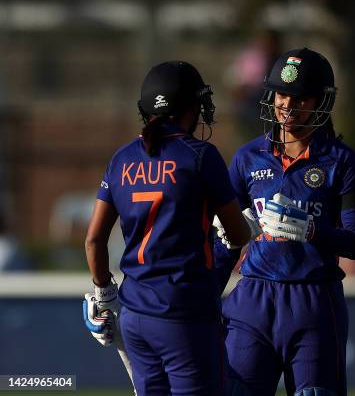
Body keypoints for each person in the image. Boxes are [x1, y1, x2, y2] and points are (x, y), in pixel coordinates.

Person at [82, 61, 259, 395]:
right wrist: (237, 228)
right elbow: (238, 234)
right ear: (191, 107)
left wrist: (104, 294)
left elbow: (93, 240)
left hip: (134, 315)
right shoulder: (201, 156)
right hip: (184, 314)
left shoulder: (121, 158)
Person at [215, 48, 355, 396]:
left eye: (300, 98)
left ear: (321, 103)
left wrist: (312, 231)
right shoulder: (246, 158)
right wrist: (203, 293)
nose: (287, 104)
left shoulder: (342, 162)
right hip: (252, 299)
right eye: (282, 94)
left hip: (313, 299)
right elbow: (225, 241)